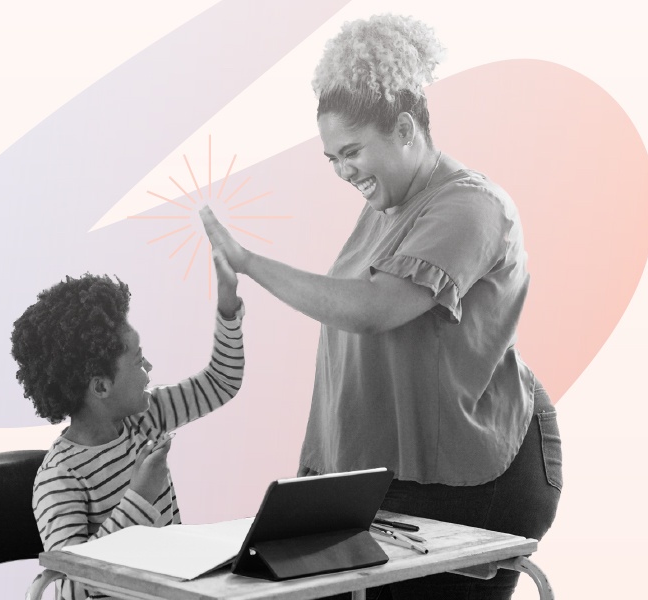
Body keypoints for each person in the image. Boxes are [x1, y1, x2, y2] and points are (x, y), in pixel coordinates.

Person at [200, 14, 561, 600]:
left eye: (352, 152)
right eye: (331, 159)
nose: (343, 172)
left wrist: (250, 262)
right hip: (383, 469)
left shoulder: (471, 207)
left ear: (404, 128)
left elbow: (373, 309)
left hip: (473, 471)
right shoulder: (386, 206)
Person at [10, 254, 244, 600]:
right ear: (101, 387)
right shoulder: (60, 478)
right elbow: (73, 586)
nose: (149, 365)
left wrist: (228, 309)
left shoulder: (146, 419)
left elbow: (221, 382)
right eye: (138, 360)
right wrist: (139, 497)